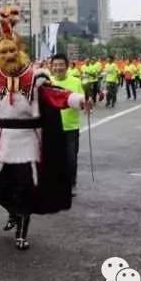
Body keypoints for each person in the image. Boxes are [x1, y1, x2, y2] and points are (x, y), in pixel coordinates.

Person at [0, 5, 88, 250]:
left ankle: (22, 232)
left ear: (20, 51)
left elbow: (56, 95)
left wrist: (78, 100)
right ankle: (13, 211)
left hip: (27, 142)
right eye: (4, 51)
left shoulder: (35, 77)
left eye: (13, 50)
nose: (9, 55)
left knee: (25, 188)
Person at [51, 53, 84, 191]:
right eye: (55, 65)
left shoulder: (75, 82)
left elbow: (82, 101)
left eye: (61, 65)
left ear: (67, 66)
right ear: (51, 66)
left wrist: (86, 104)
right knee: (54, 158)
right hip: (53, 127)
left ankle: (71, 183)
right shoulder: (48, 82)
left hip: (71, 127)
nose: (58, 68)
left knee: (71, 158)